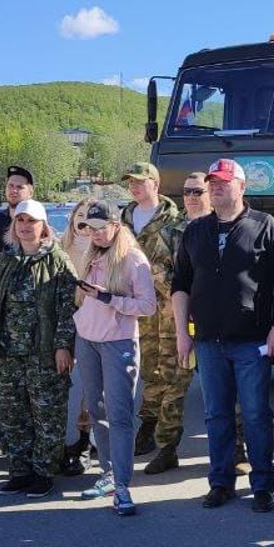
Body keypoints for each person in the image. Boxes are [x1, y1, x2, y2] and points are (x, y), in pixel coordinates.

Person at [171, 158, 274, 512]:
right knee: (216, 415)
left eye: (224, 182)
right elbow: (181, 284)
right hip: (208, 341)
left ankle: (263, 484)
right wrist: (183, 332)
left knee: (255, 414)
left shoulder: (265, 226)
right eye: (212, 182)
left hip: (252, 341)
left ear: (241, 186)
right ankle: (221, 482)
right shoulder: (195, 231)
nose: (216, 187)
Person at [0, 199, 77, 498]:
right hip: (8, 354)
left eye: (31, 221)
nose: (24, 226)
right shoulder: (1, 261)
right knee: (12, 414)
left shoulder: (58, 260)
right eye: (19, 221)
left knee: (47, 414)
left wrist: (63, 346)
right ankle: (20, 470)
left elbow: (67, 310)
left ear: (43, 225)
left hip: (43, 353)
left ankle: (44, 472)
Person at [74, 200, 157, 515]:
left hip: (118, 343)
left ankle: (122, 486)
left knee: (120, 415)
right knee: (96, 410)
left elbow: (148, 306)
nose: (94, 233)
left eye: (99, 227)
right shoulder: (90, 253)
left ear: (115, 226)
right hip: (88, 340)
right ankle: (107, 474)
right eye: (89, 227)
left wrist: (111, 298)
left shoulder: (133, 259)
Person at [120, 162, 193, 475]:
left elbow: (184, 268)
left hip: (168, 309)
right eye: (131, 183)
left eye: (141, 181)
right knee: (147, 369)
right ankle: (147, 426)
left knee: (173, 373)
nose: (135, 187)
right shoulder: (123, 218)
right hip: (135, 309)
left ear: (156, 183)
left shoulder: (175, 221)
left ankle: (166, 441)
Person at [0, 166, 36, 446]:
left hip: (28, 317)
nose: (13, 190)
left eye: (19, 186)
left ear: (30, 191)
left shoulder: (38, 221)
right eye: (10, 185)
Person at [56, 197, 97, 476]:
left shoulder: (105, 250)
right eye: (79, 214)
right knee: (59, 382)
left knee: (91, 388)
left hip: (93, 324)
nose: (83, 220)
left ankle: (87, 441)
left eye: (90, 215)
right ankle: (56, 442)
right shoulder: (59, 249)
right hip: (64, 322)